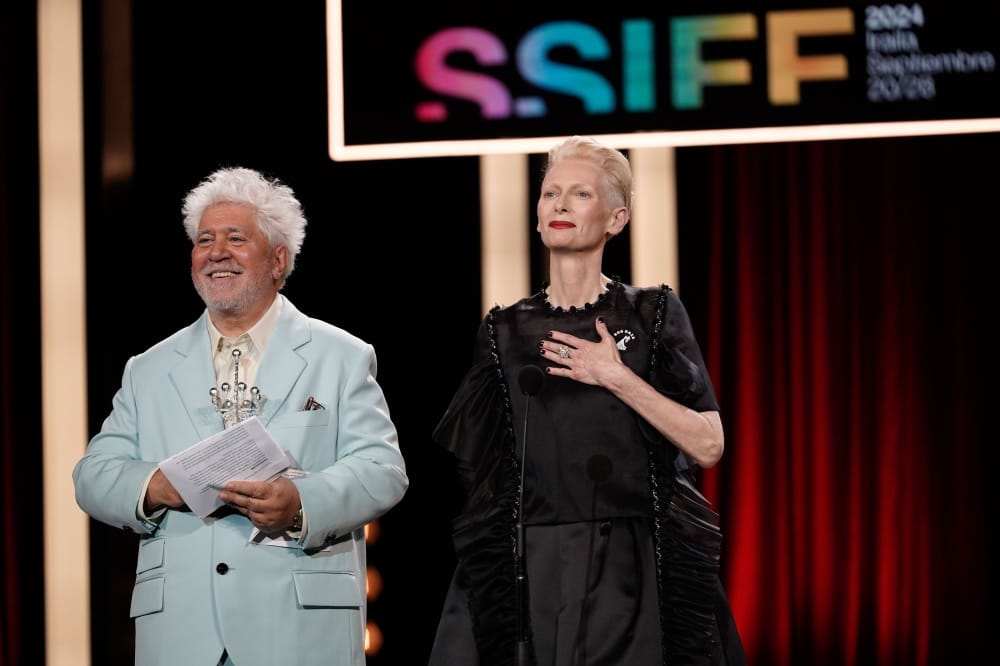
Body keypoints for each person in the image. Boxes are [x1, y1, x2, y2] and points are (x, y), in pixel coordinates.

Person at [428, 136, 746, 666]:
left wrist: (616, 377)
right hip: (535, 569)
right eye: (551, 193)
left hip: (633, 567)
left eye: (580, 194)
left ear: (615, 220)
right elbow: (482, 480)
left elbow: (708, 443)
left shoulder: (653, 314)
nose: (559, 204)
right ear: (536, 215)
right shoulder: (502, 331)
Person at [73, 166, 409, 666]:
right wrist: (156, 486)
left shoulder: (341, 355)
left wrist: (299, 503)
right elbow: (92, 476)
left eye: (236, 238)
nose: (216, 252)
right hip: (181, 635)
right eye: (204, 239)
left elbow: (383, 471)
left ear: (278, 260)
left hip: (299, 629)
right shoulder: (148, 369)